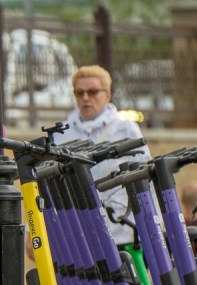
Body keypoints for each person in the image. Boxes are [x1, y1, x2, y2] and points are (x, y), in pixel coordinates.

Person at [60, 65, 151, 245]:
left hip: (120, 231)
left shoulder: (125, 129)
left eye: (93, 92)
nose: (86, 98)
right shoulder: (62, 133)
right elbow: (45, 184)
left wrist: (154, 226)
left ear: (107, 95)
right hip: (78, 235)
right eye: (79, 93)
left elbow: (145, 178)